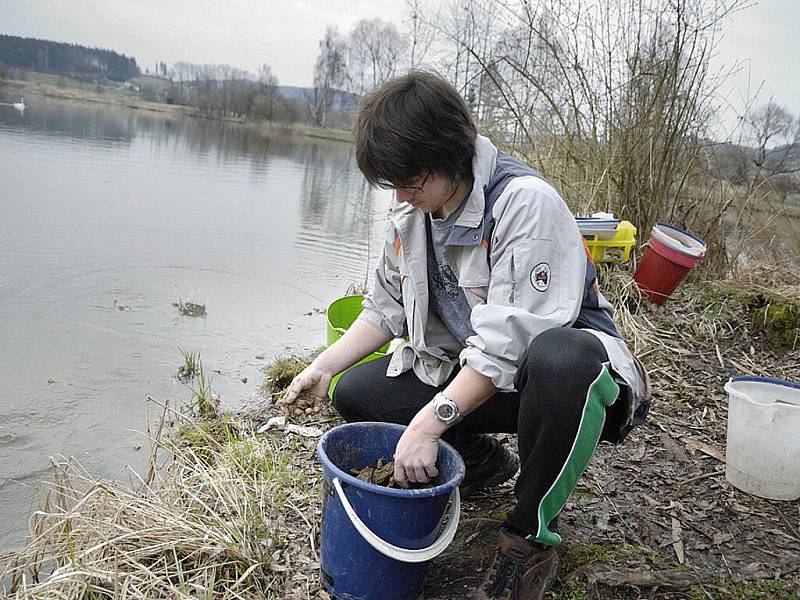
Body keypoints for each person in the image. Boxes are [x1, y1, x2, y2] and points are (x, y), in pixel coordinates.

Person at [285, 70, 650, 600]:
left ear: (450, 154)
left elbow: (510, 346)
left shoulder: (524, 202)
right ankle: (479, 461)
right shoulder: (413, 211)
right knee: (359, 392)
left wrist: (430, 421)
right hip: (480, 374)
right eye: (396, 185)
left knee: (561, 359)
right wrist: (323, 366)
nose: (405, 197)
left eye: (413, 182)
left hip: (562, 381)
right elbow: (384, 310)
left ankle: (528, 538)